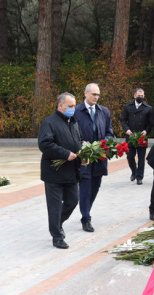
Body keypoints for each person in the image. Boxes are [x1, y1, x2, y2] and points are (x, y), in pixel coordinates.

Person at [38, 92, 82, 249]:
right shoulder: (49, 122)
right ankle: (57, 236)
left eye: (74, 105)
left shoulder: (73, 122)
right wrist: (65, 154)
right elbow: (45, 144)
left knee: (73, 201)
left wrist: (84, 153)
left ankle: (58, 222)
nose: (73, 108)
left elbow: (78, 141)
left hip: (71, 171)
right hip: (53, 173)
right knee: (54, 206)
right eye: (70, 106)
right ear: (60, 105)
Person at [74, 83, 114, 233]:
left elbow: (110, 131)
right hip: (84, 157)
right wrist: (81, 145)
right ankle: (86, 218)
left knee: (95, 186)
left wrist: (107, 142)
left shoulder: (104, 111)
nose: (96, 97)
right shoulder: (76, 111)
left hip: (100, 156)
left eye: (98, 95)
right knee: (85, 185)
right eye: (93, 94)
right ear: (85, 94)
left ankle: (86, 210)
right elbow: (71, 133)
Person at [119, 88, 152, 185]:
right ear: (134, 95)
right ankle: (134, 171)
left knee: (141, 158)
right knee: (130, 157)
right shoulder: (127, 107)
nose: (140, 97)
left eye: (142, 96)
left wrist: (146, 131)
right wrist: (127, 130)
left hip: (142, 136)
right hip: (130, 135)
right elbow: (123, 120)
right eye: (138, 95)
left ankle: (139, 177)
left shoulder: (148, 108)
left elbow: (150, 123)